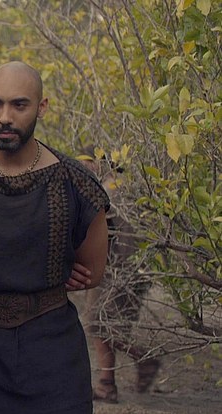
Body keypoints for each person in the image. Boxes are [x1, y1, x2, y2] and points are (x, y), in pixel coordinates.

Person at [0, 61, 110, 413]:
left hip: (51, 344)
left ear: (41, 107)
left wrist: (51, 272)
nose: (5, 117)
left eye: (19, 105)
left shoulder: (75, 182)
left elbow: (92, 272)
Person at [79, 147, 159, 403]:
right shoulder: (118, 187)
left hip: (119, 270)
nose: (85, 168)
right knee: (103, 325)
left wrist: (119, 273)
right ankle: (107, 384)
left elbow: (128, 238)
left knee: (98, 323)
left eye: (89, 162)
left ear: (103, 163)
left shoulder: (114, 190)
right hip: (121, 268)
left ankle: (143, 358)